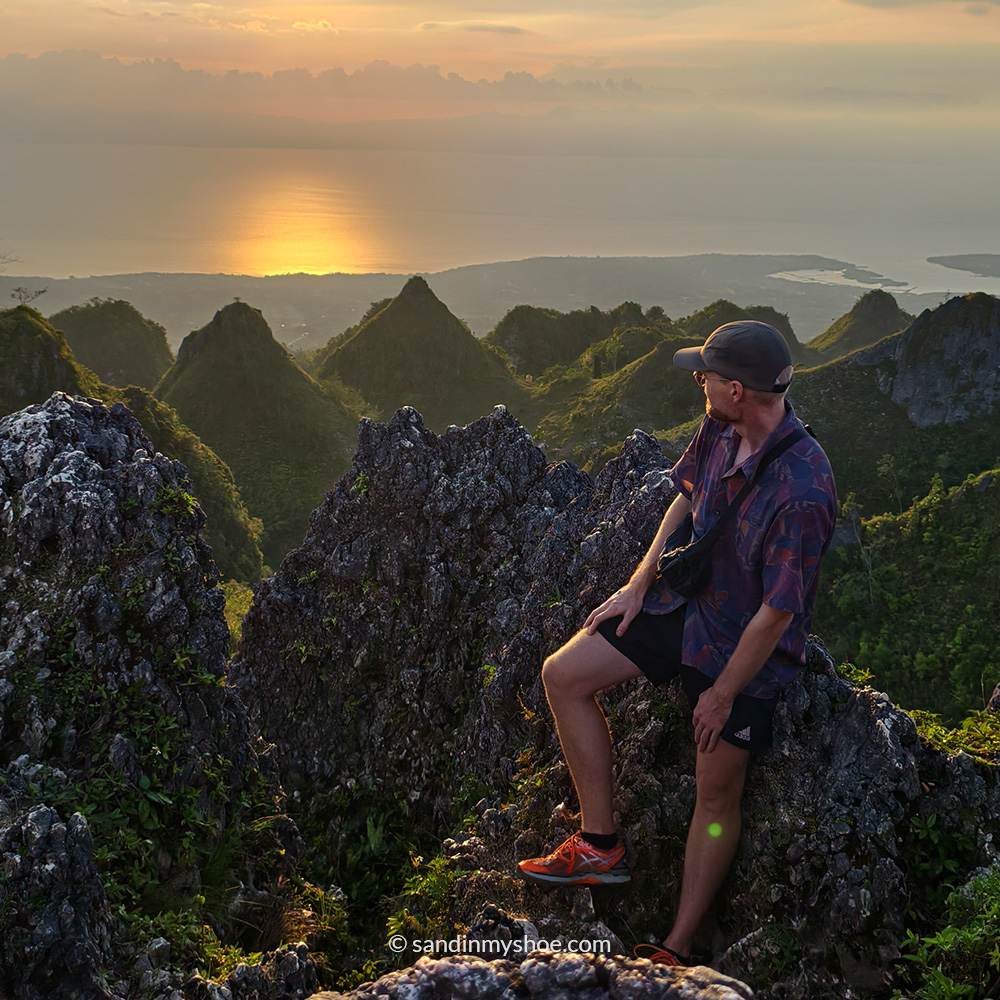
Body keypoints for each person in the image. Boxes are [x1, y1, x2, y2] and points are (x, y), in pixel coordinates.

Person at [517, 320, 837, 966]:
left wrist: (721, 695)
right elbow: (686, 494)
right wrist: (640, 582)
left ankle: (677, 945)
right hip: (684, 606)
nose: (699, 381)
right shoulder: (721, 426)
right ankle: (600, 843)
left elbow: (778, 611)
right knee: (565, 674)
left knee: (715, 795)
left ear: (739, 390)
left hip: (743, 652)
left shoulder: (803, 488)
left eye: (708, 375)